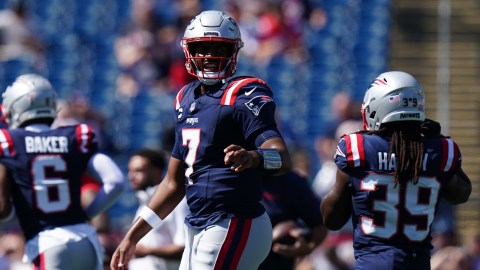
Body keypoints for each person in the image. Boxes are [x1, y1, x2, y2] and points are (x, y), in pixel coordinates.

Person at [110, 10, 291, 270]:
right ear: (188, 51)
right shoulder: (185, 98)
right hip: (198, 225)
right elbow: (173, 182)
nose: (208, 56)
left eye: (217, 48)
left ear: (233, 52)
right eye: (201, 48)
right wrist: (133, 236)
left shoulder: (242, 93)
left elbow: (282, 159)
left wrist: (253, 157)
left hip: (234, 220)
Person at [320, 71, 472, 269]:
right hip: (417, 263)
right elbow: (461, 194)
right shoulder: (441, 150)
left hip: (372, 263)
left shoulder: (357, 148)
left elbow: (331, 220)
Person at [0, 73, 126, 270]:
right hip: (87, 240)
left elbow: (3, 208)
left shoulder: (8, 142)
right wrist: (87, 214)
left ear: (17, 106)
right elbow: (116, 181)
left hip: (47, 242)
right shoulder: (75, 136)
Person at [127, 148, 188, 270]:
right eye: (130, 171)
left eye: (138, 171)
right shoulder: (144, 201)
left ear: (156, 172)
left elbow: (185, 248)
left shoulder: (177, 203)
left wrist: (148, 251)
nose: (130, 176)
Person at [258, 170, 328, 270]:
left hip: (277, 263)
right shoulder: (232, 179)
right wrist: (269, 237)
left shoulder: (288, 179)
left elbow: (320, 226)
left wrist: (306, 248)